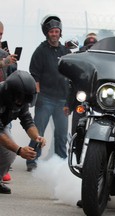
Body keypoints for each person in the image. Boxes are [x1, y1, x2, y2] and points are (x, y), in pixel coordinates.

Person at [26, 15, 71, 172]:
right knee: (38, 132)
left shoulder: (66, 51)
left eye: (57, 31)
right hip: (45, 99)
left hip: (62, 101)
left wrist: (69, 101)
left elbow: (72, 75)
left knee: (61, 135)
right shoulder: (40, 51)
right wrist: (37, 98)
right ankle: (32, 160)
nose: (54, 34)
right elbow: (34, 76)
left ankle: (61, 162)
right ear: (47, 33)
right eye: (51, 31)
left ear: (60, 32)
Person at [0, 70, 46, 194]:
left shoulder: (22, 100)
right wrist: (20, 150)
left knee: (9, 153)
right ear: (10, 94)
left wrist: (37, 137)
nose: (22, 103)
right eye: (20, 99)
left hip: (1, 125)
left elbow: (27, 121)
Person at [0, 21, 19, 182]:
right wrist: (4, 62)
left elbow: (13, 75)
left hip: (2, 102)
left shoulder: (3, 54)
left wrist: (12, 63)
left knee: (8, 147)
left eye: (0, 34)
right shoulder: (3, 58)